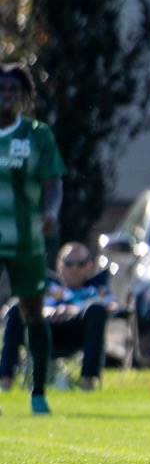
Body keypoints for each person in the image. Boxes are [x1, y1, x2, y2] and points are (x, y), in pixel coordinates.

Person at [0, 64, 63, 415]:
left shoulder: (37, 135)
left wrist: (51, 211)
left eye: (13, 89)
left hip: (28, 240)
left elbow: (54, 181)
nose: (6, 95)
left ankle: (38, 392)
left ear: (24, 96)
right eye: (1, 88)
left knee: (32, 312)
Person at [0, 243, 110, 392]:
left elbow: (115, 307)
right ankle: (5, 382)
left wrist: (70, 310)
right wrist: (47, 311)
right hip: (41, 328)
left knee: (97, 309)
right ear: (59, 266)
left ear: (90, 266)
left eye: (81, 264)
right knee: (16, 309)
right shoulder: (44, 288)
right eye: (69, 263)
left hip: (75, 333)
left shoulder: (97, 291)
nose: (74, 269)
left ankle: (88, 384)